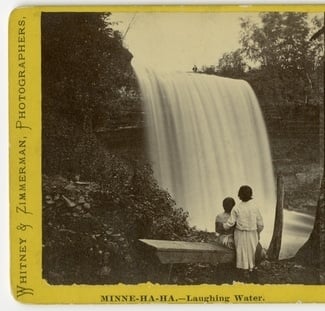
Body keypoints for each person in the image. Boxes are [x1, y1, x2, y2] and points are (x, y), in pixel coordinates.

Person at [223, 185, 264, 281]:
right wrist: (258, 232)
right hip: (252, 233)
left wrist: (224, 226)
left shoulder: (236, 208)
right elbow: (260, 223)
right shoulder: (255, 207)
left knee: (241, 251)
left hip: (240, 233)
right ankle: (252, 269)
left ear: (239, 195)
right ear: (251, 195)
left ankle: (243, 270)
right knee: (252, 250)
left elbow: (231, 222)